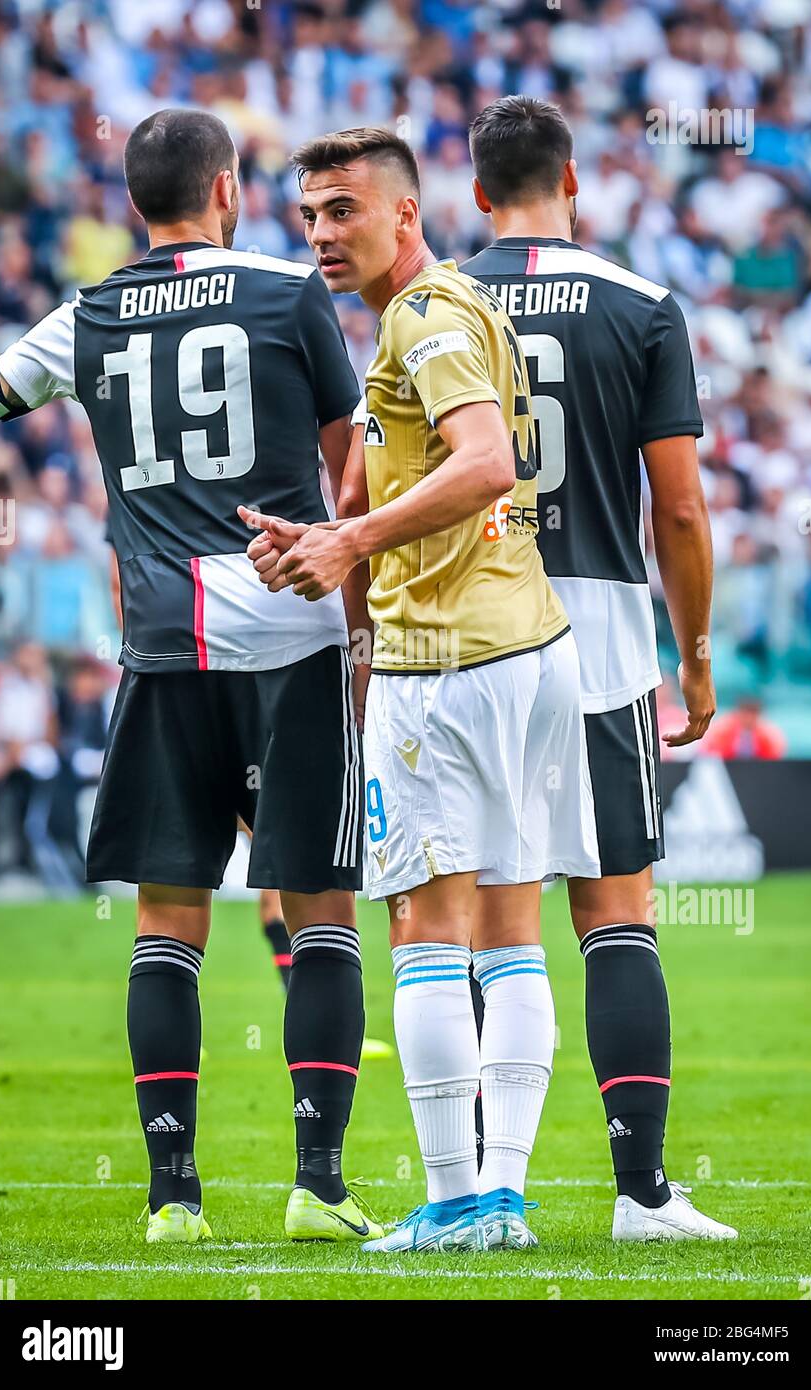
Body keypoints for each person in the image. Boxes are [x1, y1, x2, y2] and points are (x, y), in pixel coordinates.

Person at [0, 108, 383, 1247]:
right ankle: (318, 1182)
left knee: (167, 920)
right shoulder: (288, 287)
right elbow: (353, 468)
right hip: (292, 636)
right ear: (227, 186)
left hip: (164, 644)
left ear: (134, 201)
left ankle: (172, 1201)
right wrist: (359, 630)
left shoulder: (89, 312)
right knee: (321, 909)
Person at [243, 125, 600, 1253]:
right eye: (307, 214)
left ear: (407, 211)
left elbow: (488, 461)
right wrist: (343, 532)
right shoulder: (461, 305)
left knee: (426, 932)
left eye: (341, 209)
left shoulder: (426, 315)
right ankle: (500, 1202)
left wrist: (351, 545)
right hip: (530, 647)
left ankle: (452, 1199)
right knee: (512, 931)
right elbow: (459, 475)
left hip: (446, 665)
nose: (320, 234)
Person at [461, 95, 736, 1241]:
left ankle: (480, 1191)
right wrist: (698, 654)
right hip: (602, 639)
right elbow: (677, 505)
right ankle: (641, 1194)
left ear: (477, 195)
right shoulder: (643, 304)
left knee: (488, 922)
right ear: (572, 180)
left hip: (468, 634)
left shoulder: (434, 297)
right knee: (616, 915)